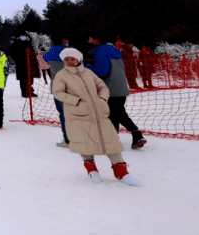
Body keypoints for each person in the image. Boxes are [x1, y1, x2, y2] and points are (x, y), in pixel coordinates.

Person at [51, 48, 142, 186]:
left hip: (99, 114)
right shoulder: (61, 75)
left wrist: (102, 99)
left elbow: (103, 87)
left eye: (72, 59)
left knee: (112, 143)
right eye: (66, 59)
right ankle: (91, 170)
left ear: (79, 59)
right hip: (78, 115)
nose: (70, 62)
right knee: (85, 143)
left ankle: (122, 172)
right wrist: (76, 101)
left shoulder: (89, 72)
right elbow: (57, 92)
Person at [85, 35, 147, 149]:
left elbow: (102, 71)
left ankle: (136, 134)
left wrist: (86, 68)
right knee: (115, 113)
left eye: (90, 39)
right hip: (120, 88)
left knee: (116, 114)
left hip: (109, 89)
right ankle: (116, 138)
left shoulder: (101, 53)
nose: (88, 41)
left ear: (97, 40)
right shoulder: (114, 51)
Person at [42, 35, 72, 147]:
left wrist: (53, 46)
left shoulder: (50, 53)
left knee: (63, 114)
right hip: (72, 85)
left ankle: (68, 139)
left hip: (57, 86)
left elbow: (44, 58)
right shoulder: (69, 52)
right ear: (63, 40)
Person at [7, 33, 41, 98]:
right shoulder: (15, 44)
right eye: (22, 36)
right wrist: (19, 60)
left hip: (30, 63)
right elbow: (13, 54)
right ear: (19, 36)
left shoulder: (28, 43)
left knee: (30, 78)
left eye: (24, 36)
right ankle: (24, 92)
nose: (23, 37)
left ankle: (30, 91)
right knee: (23, 79)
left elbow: (32, 52)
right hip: (21, 64)